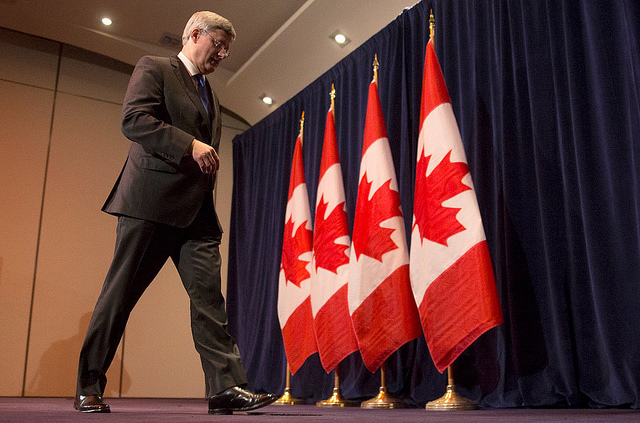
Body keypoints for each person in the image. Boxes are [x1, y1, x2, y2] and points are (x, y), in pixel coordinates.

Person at [74, 11, 277, 415]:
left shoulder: (212, 94)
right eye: (217, 44)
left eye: (226, 49)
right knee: (119, 299)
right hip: (148, 205)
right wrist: (190, 146)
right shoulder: (155, 68)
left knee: (209, 302)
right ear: (193, 34)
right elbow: (134, 120)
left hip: (196, 215)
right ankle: (88, 386)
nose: (221, 54)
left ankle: (226, 388)